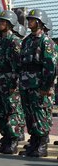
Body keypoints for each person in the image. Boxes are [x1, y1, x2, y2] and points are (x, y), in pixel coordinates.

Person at [19, 9, 56, 157]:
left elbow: (50, 67)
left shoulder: (46, 41)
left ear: (40, 22)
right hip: (26, 84)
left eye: (32, 20)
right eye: (29, 20)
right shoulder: (27, 40)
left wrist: (46, 87)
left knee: (40, 114)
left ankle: (41, 145)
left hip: (39, 84)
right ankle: (33, 141)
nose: (29, 22)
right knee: (29, 114)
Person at [0, 10, 22, 154]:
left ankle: (13, 140)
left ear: (10, 24)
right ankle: (6, 138)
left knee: (11, 111)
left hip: (10, 81)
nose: (1, 24)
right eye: (0, 21)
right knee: (1, 112)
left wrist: (14, 84)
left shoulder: (14, 41)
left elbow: (18, 65)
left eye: (4, 22)